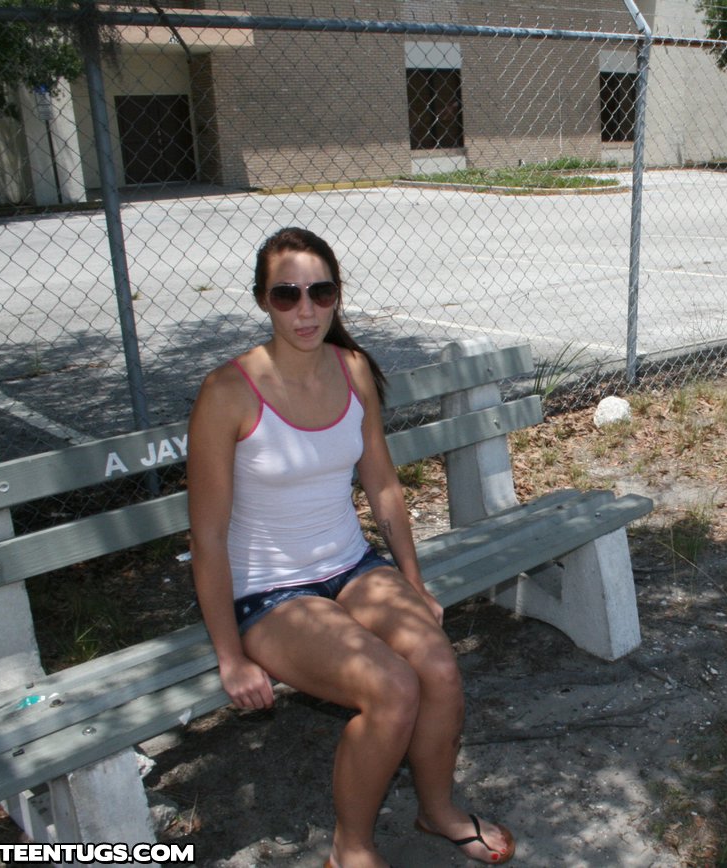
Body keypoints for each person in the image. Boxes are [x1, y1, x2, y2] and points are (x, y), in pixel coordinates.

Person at [187, 227, 515, 867]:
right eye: (286, 294)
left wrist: (413, 581)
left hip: (353, 566)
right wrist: (229, 655)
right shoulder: (227, 391)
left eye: (320, 292)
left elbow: (383, 484)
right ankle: (350, 849)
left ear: (337, 295)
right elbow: (207, 535)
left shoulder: (352, 368)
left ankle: (437, 810)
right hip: (271, 593)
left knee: (439, 668)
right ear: (263, 300)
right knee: (391, 689)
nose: (305, 309)